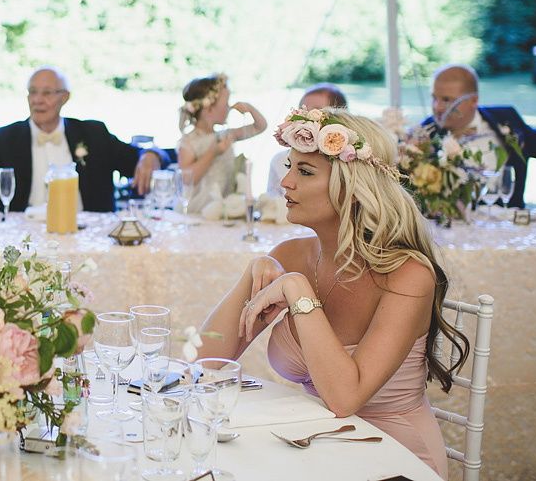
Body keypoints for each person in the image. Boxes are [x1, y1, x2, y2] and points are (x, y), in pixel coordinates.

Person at [197, 109, 468, 475]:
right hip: (314, 449)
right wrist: (252, 271)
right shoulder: (290, 256)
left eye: (304, 172)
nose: (285, 182)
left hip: (395, 458)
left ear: (354, 189)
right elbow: (206, 364)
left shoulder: (408, 275)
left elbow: (344, 398)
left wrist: (297, 290)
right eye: (289, 166)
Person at [0, 66, 166, 213]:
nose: (37, 100)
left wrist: (151, 154)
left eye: (47, 93)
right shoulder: (1, 140)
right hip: (22, 239)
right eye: (32, 92)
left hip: (88, 238)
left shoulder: (94, 134)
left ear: (64, 97)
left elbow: (139, 158)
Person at [423, 64, 536, 209]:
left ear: (473, 101)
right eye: (434, 98)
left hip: (509, 224)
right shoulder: (424, 135)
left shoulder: (507, 119)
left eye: (447, 100)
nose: (437, 107)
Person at [176, 73, 266, 215]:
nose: (228, 108)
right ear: (209, 109)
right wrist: (214, 151)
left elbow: (259, 127)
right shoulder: (189, 141)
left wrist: (250, 108)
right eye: (225, 104)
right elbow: (188, 179)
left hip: (225, 207)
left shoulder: (226, 135)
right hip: (200, 208)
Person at [266, 83, 347, 199]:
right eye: (304, 111)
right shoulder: (280, 159)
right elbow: (271, 203)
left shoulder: (343, 161)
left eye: (318, 112)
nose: (307, 118)